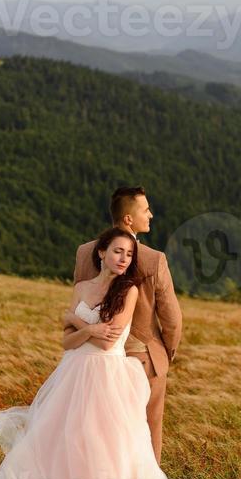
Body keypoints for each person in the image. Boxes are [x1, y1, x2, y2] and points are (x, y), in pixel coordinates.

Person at [0, 226, 219, 479]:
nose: (124, 259)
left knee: (99, 442)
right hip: (73, 372)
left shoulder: (130, 290)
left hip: (105, 375)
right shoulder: (80, 288)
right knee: (64, 437)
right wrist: (86, 328)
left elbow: (108, 342)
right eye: (118, 252)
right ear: (102, 253)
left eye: (129, 255)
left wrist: (78, 324)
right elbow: (66, 343)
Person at [69, 186, 181, 464]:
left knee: (94, 429)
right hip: (142, 357)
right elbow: (172, 318)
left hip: (90, 358)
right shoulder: (154, 259)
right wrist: (167, 352)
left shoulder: (85, 252)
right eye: (146, 210)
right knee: (146, 429)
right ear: (129, 219)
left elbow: (78, 299)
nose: (151, 215)